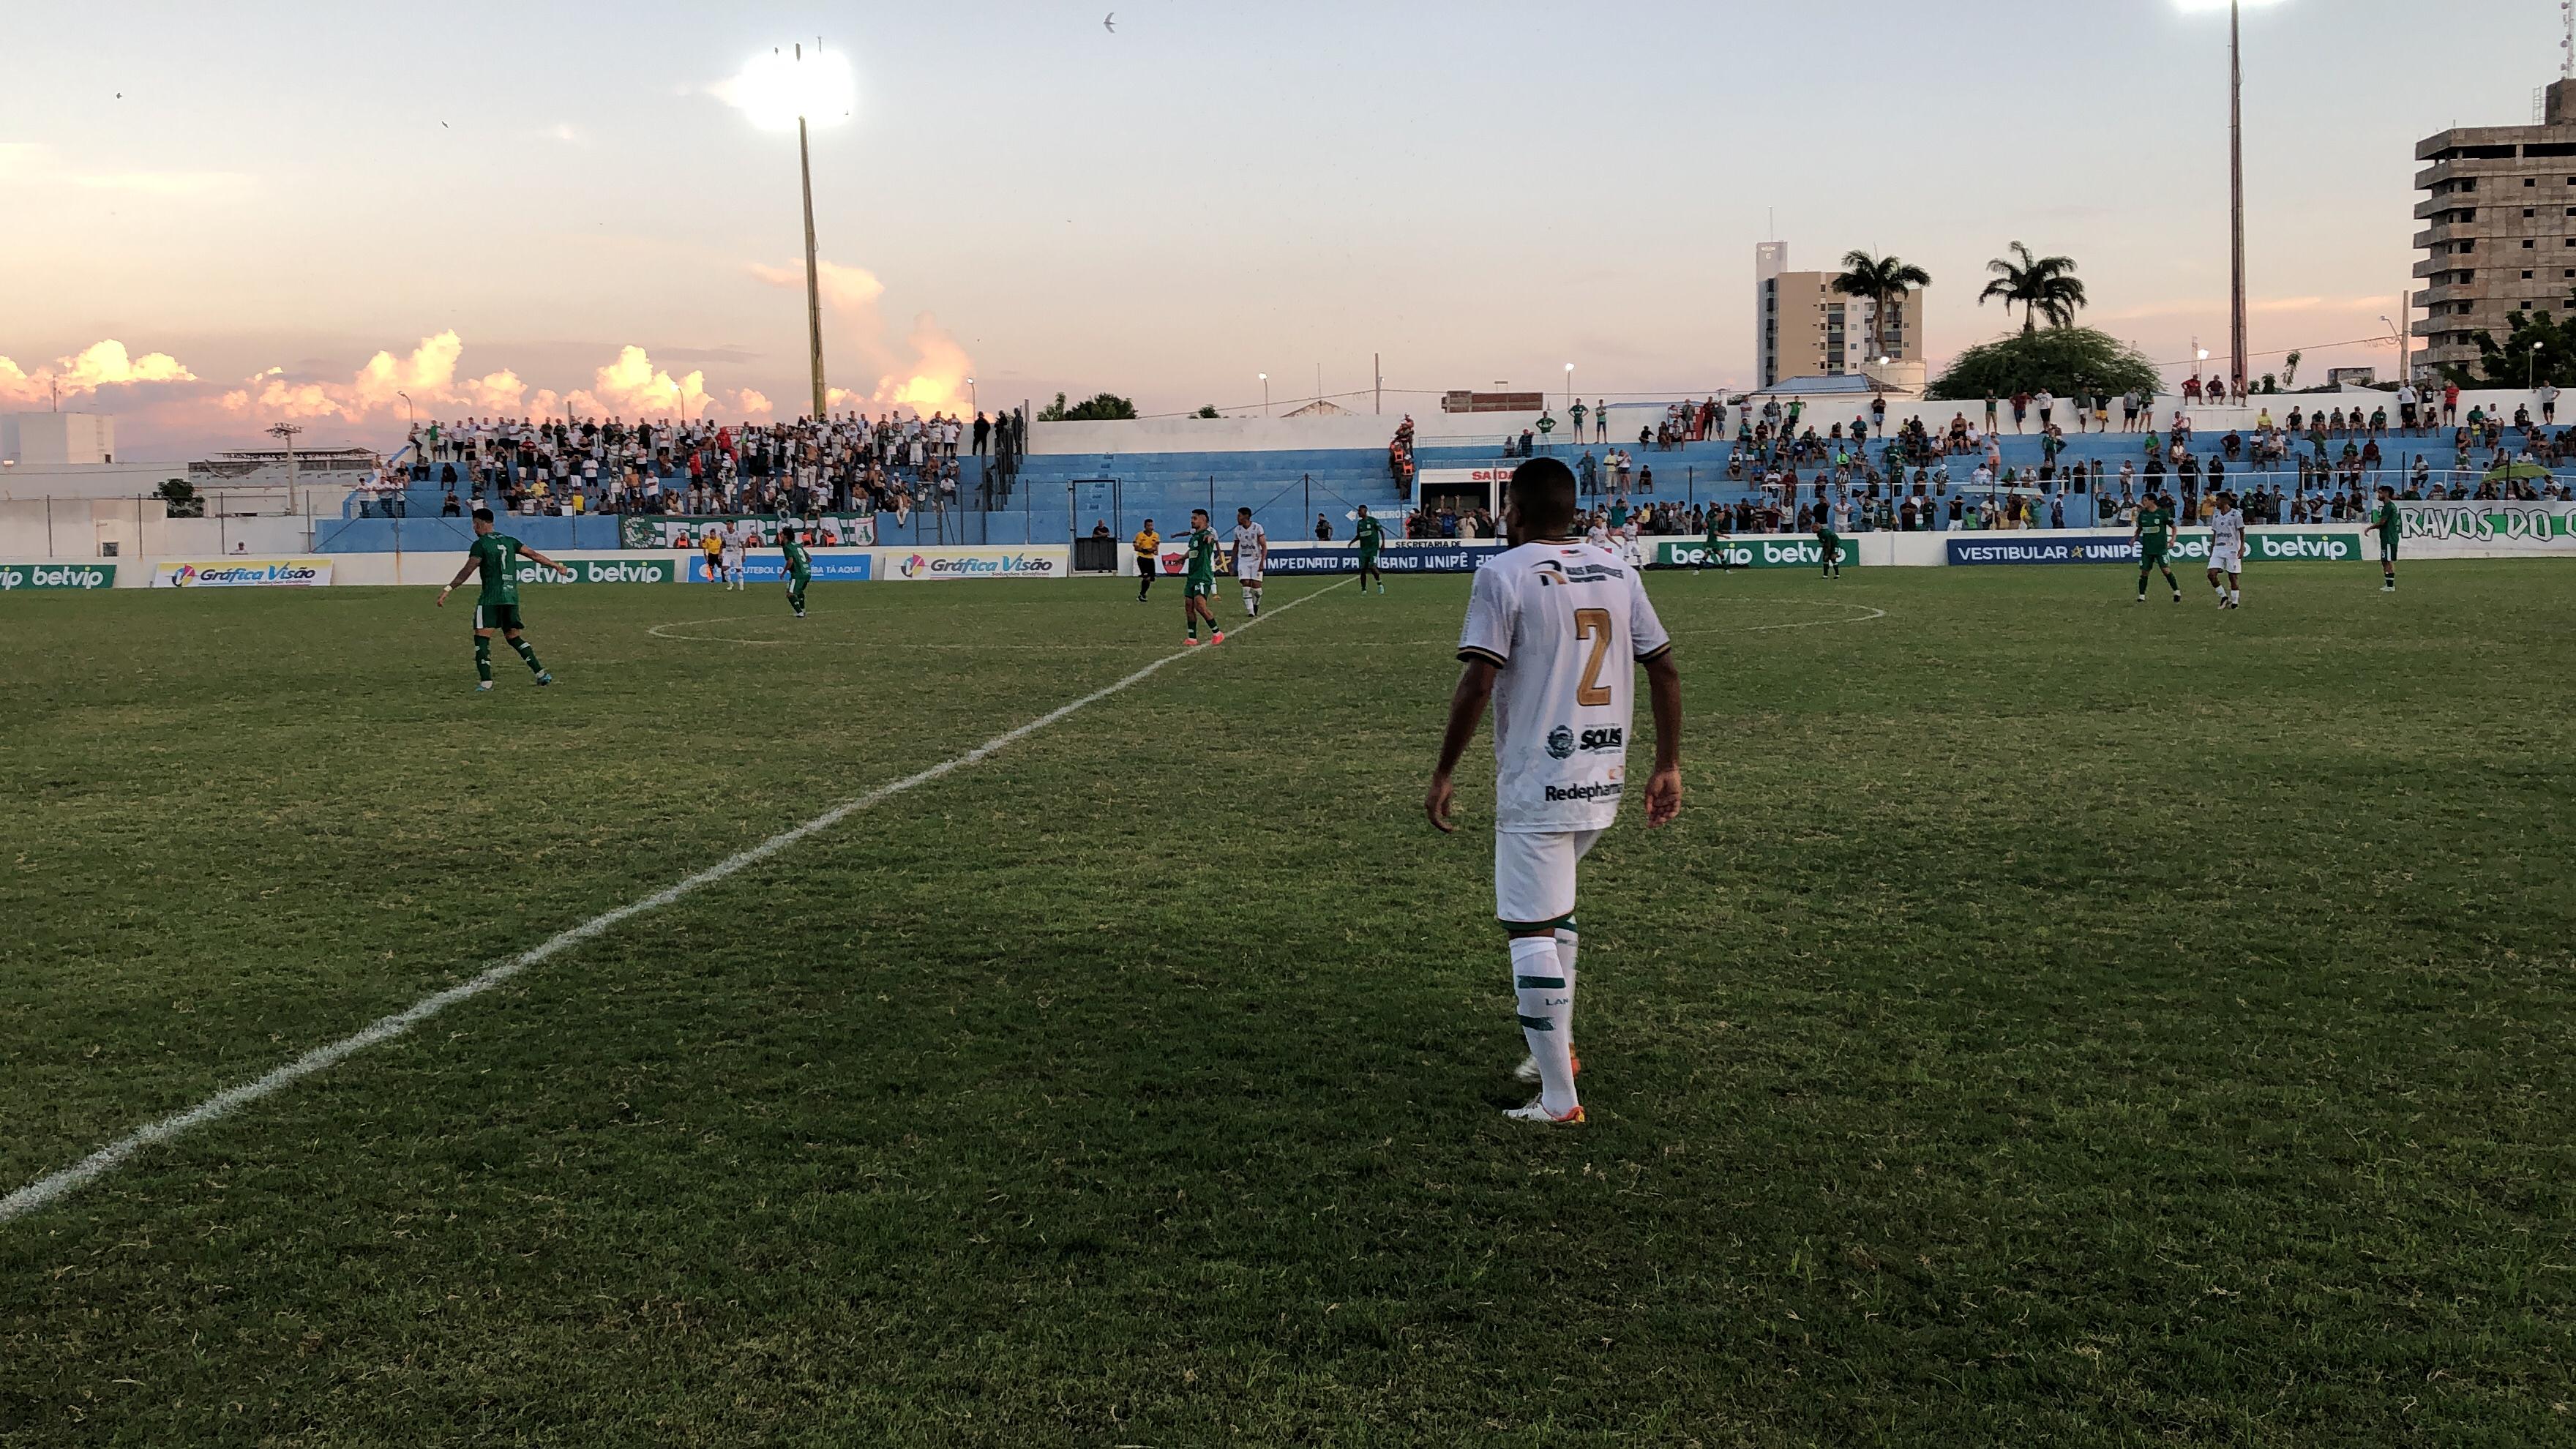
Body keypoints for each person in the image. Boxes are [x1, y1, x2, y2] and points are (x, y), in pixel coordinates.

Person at [1424, 457, 1683, 1126]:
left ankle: (1559, 1103)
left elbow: (1478, 682)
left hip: (1540, 780)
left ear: (1513, 511)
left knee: (1531, 927)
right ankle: (1558, 1053)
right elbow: (1664, 668)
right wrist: (1669, 764)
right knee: (1556, 913)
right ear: (1571, 510)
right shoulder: (1618, 568)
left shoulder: (1501, 572)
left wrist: (1444, 771)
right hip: (1604, 777)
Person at [436, 508, 568, 692]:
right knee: (513, 636)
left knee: (481, 638)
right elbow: (533, 554)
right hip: (511, 598)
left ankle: (486, 682)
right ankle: (541, 674)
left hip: (491, 599)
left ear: (480, 523)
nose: (474, 528)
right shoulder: (510, 541)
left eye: (474, 524)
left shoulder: (480, 544)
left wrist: (448, 589)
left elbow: (468, 570)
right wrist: (556, 566)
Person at [1180, 508, 1225, 646]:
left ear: (1203, 520)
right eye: (1192, 518)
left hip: (1202, 576)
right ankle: (1192, 638)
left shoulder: (1207, 534)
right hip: (1192, 576)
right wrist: (1182, 558)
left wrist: (1209, 538)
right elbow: (1193, 550)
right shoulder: (1194, 537)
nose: (1192, 521)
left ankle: (1217, 633)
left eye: (1195, 518)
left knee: (1200, 606)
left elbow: (1209, 539)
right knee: (1189, 606)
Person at [2133, 490, 2183, 604]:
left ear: (2152, 501)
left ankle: (2176, 592)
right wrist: (2134, 538)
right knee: (2144, 572)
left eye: (2145, 500)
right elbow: (2140, 528)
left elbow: (2174, 527)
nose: (2143, 502)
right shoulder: (2143, 514)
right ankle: (2141, 596)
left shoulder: (2162, 514)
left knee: (2165, 570)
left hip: (2160, 548)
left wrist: (2173, 539)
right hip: (2147, 549)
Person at [2207, 489, 2247, 610]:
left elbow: (2241, 531)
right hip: (2218, 548)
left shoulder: (2236, 514)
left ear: (2224, 501)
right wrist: (2212, 547)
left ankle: (2235, 602)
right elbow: (2215, 532)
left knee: (2232, 577)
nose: (2216, 503)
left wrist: (2241, 548)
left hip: (2232, 548)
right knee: (2211, 574)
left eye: (2218, 500)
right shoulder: (2217, 514)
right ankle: (2224, 597)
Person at [1229, 506, 1268, 617]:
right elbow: (1236, 547)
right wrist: (1232, 563)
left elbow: (1264, 547)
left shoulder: (1257, 528)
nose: (1237, 517)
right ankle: (1251, 612)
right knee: (1246, 585)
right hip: (1243, 560)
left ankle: (1256, 604)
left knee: (1257, 589)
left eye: (1239, 515)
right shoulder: (1237, 530)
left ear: (1246, 516)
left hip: (1256, 560)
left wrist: (1262, 562)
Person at [2370, 483, 2401, 592]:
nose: (2378, 495)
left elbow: (2382, 522)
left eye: (2380, 492)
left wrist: (2370, 528)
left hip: (2389, 537)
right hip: (2387, 537)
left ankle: (2390, 586)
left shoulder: (2388, 506)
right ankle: (2389, 584)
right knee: (2385, 561)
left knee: (2387, 561)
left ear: (2386, 493)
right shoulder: (2388, 506)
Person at [780, 518, 813, 618]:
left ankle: (800, 612)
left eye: (782, 534)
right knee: (799, 592)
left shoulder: (787, 546)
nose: (780, 535)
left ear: (785, 536)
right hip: (807, 572)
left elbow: (790, 561)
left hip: (798, 574)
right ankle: (802, 609)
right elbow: (809, 558)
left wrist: (784, 572)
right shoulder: (797, 545)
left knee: (790, 594)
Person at [1354, 503, 1387, 595]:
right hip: (1364, 549)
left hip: (1373, 548)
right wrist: (1351, 542)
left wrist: (1383, 544)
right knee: (1363, 569)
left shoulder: (1372, 521)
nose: (1358, 513)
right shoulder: (1360, 523)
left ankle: (1380, 584)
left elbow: (1381, 531)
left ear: (1365, 511)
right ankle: (1363, 589)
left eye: (1360, 511)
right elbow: (1359, 535)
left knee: (1372, 567)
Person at [721, 517, 752, 591]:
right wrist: (720, 553)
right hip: (728, 553)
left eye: (729, 524)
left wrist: (744, 555)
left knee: (738, 569)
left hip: (736, 553)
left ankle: (741, 585)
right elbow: (723, 544)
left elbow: (743, 544)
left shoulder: (738, 533)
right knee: (725, 567)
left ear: (732, 524)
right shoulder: (724, 533)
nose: (728, 526)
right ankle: (730, 583)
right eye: (727, 524)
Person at [1133, 519, 1161, 602]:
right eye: (1148, 525)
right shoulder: (1139, 535)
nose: (1150, 527)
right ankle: (1142, 594)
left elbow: (1155, 548)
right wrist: (1146, 550)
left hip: (1150, 559)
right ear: (1145, 526)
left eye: (1151, 525)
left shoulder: (1156, 535)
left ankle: (1143, 594)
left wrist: (1154, 550)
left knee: (1151, 579)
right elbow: (1136, 547)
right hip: (1142, 558)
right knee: (1146, 577)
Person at [1813, 504, 1843, 580]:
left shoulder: (1825, 533)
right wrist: (1825, 549)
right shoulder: (1819, 534)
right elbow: (1824, 543)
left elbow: (1829, 543)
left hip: (1835, 545)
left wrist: (1828, 553)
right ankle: (1825, 575)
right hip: (1828, 546)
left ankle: (1837, 575)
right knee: (1825, 560)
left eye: (1814, 528)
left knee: (1833, 559)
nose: (1813, 529)